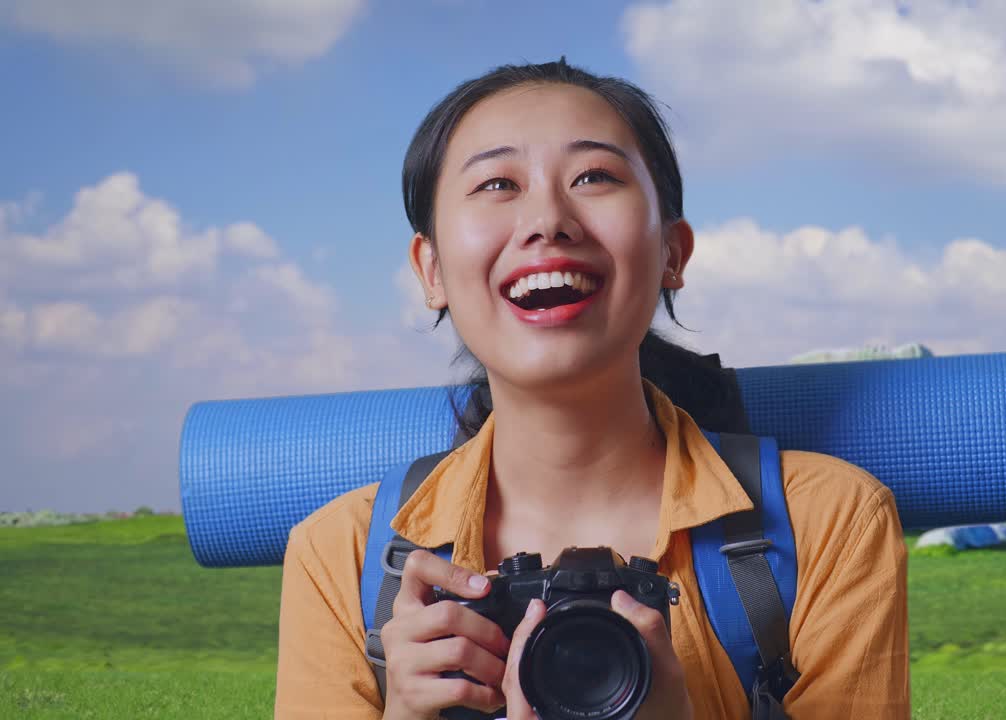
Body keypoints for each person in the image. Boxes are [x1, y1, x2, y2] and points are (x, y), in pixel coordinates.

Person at [273, 59, 910, 719]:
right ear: (430, 269)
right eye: (496, 183)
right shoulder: (340, 559)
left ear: (672, 252)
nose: (548, 218)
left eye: (594, 176)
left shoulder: (830, 523)